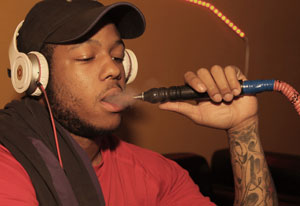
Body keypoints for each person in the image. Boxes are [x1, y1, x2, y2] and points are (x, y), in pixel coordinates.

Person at [0, 0, 278, 205]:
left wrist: (243, 127)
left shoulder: (157, 175)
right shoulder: (8, 169)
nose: (114, 70)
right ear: (36, 74)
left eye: (118, 57)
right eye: (86, 56)